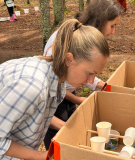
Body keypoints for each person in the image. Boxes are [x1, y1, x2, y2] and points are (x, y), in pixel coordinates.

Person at [0, 19, 110, 160]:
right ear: (69, 59)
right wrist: (41, 156)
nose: (91, 81)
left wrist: (71, 129)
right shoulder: (32, 86)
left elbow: (38, 113)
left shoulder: (57, 79)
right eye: (90, 73)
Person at [43, 0, 122, 150]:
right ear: (101, 21)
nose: (113, 32)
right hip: (56, 101)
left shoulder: (86, 42)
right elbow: (53, 87)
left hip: (63, 96)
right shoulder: (65, 41)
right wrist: (76, 99)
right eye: (112, 25)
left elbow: (84, 73)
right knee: (59, 139)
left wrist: (103, 86)